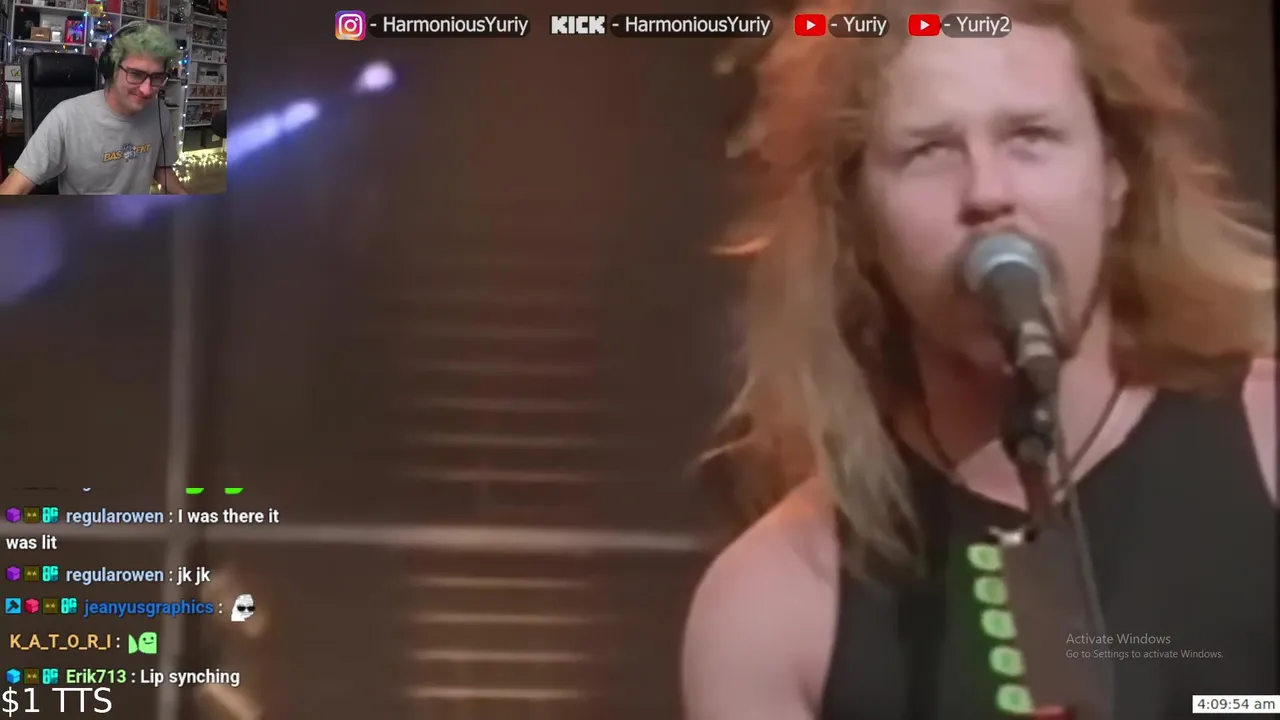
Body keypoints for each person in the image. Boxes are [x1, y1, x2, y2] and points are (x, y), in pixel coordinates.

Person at [683, 0, 1275, 718]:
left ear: (1117, 178)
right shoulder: (773, 607)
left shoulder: (1265, 441)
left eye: (1030, 136)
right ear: (859, 222)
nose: (988, 193)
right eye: (929, 151)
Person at [0, 22, 187, 195]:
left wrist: (187, 200)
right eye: (136, 74)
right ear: (110, 69)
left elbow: (162, 169)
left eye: (156, 77)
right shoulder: (66, 117)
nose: (147, 90)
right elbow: (15, 187)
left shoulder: (159, 112)